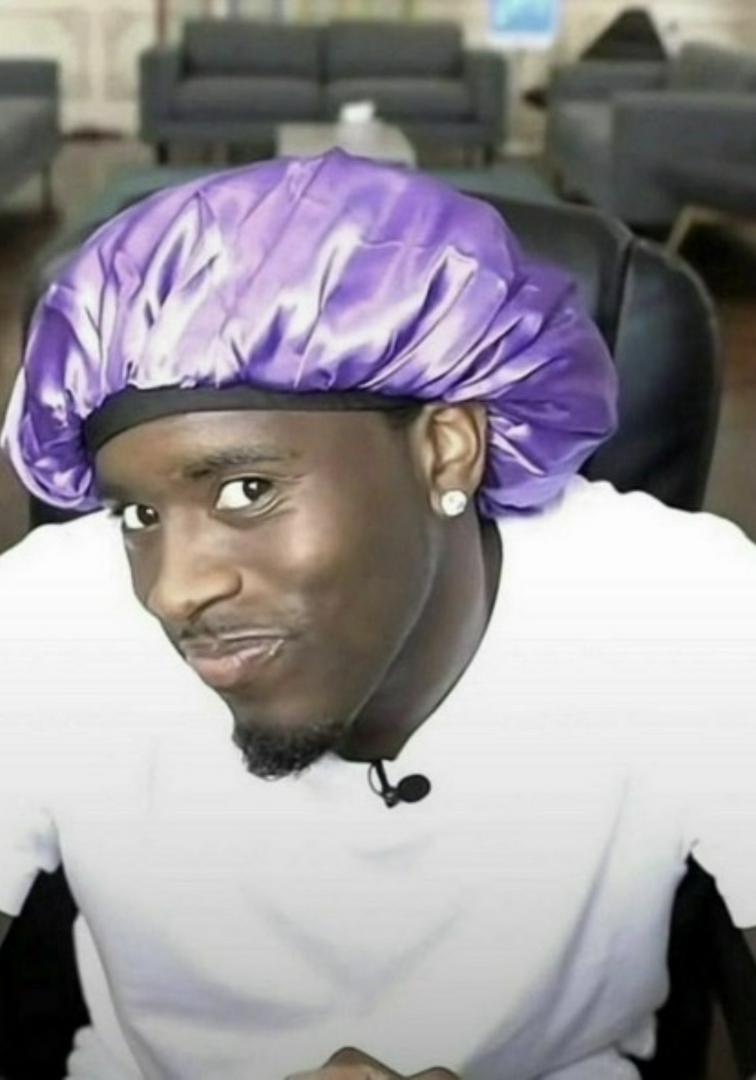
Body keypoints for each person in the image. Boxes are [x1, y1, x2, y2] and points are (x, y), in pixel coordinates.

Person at [0, 148, 754, 1080]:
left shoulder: (683, 615)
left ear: (446, 450)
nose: (173, 590)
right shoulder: (44, 627)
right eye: (138, 517)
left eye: (246, 490)